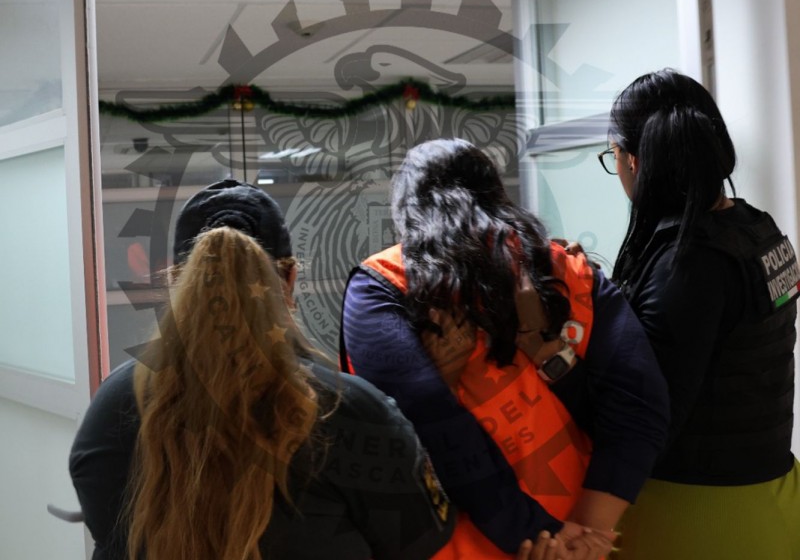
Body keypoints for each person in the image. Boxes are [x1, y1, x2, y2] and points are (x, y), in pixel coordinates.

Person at [69, 179, 456, 560]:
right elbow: (417, 539)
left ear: (176, 281)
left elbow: (106, 528)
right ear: (289, 279)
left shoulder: (113, 406)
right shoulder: (350, 410)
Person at [340, 139, 671, 559]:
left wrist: (534, 534)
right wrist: (587, 534)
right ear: (495, 192)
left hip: (465, 546)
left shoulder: (383, 286)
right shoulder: (570, 271)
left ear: (408, 211)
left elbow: (426, 423)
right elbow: (640, 405)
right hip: (578, 538)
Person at [603, 69, 800, 559]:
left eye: (612, 156)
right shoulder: (759, 229)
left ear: (634, 160)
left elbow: (645, 419)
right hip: (775, 500)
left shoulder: (687, 264)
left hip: (696, 518)